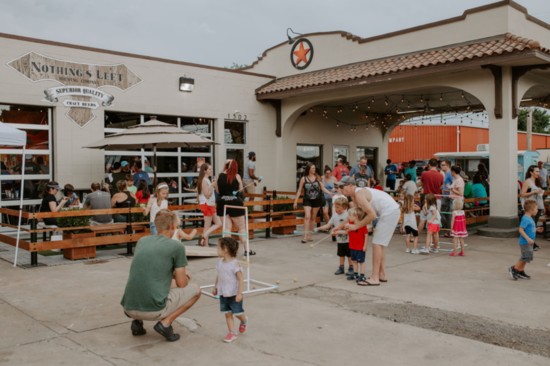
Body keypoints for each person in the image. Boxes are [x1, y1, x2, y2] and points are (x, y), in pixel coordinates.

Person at [120, 209, 201, 342]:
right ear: (172, 226)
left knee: (149, 278)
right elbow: (182, 284)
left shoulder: (142, 241)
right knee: (196, 290)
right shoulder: (176, 246)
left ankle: (137, 322)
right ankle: (165, 324)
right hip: (153, 310)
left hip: (128, 307)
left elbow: (147, 270)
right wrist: (186, 276)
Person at [341, 176, 400, 285]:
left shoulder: (359, 195)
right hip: (389, 212)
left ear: (350, 186)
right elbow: (361, 215)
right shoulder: (355, 196)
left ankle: (375, 278)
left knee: (377, 244)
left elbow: (371, 215)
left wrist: (356, 226)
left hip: (389, 212)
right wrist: (341, 226)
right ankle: (382, 274)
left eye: (342, 186)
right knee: (380, 244)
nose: (340, 189)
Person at [212, 237, 248, 343]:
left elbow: (241, 279)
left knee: (237, 313)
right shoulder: (219, 263)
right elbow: (219, 275)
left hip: (234, 294)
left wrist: (239, 293)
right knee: (227, 314)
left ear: (226, 249)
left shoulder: (235, 264)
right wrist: (215, 287)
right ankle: (232, 332)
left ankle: (244, 321)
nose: (216, 249)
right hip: (223, 293)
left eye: (218, 247)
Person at [216, 160, 251, 255]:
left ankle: (228, 251)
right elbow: (241, 191)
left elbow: (218, 191)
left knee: (227, 228)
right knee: (241, 228)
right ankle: (247, 250)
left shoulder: (219, 176)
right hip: (235, 203)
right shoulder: (237, 176)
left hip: (222, 203)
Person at [294, 163, 333, 243]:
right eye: (312, 168)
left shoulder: (318, 178)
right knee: (307, 216)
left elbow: (322, 188)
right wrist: (295, 201)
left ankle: (310, 235)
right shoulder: (304, 179)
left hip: (317, 200)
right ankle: (305, 236)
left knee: (313, 218)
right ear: (309, 169)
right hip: (307, 199)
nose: (314, 170)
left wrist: (329, 193)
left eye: (314, 168)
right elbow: (299, 190)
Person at [316, 196, 353, 277]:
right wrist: (319, 228)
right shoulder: (335, 216)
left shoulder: (348, 215)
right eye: (335, 207)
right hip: (340, 240)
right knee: (341, 254)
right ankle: (341, 267)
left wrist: (337, 232)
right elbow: (328, 225)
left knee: (349, 255)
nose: (336, 209)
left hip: (349, 240)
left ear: (344, 207)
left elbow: (350, 230)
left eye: (338, 207)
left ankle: (351, 268)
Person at [508, 201, 542, 280]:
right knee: (524, 257)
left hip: (529, 242)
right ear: (531, 210)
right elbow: (521, 230)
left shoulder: (529, 218)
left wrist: (536, 229)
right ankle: (514, 269)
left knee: (527, 257)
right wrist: (528, 238)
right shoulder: (526, 219)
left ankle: (520, 271)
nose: (537, 210)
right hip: (525, 242)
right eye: (536, 209)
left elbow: (528, 229)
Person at [520, 165, 544, 251]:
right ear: (531, 172)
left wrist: (540, 191)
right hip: (531, 207)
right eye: (536, 171)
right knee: (530, 226)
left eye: (538, 171)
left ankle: (532, 243)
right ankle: (530, 243)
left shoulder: (537, 181)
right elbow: (522, 194)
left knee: (534, 225)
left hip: (538, 206)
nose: (538, 173)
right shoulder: (527, 181)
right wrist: (534, 192)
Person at [197, 163, 222, 246]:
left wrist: (213, 185)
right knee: (207, 226)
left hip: (210, 204)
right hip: (207, 204)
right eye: (209, 169)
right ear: (205, 171)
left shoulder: (206, 180)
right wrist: (212, 185)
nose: (211, 171)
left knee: (218, 223)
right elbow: (207, 195)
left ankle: (205, 240)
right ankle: (205, 245)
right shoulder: (204, 180)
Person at [345, 207, 369, 285]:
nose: (348, 217)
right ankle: (355, 274)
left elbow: (366, 235)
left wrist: (365, 246)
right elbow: (346, 232)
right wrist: (337, 231)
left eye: (350, 215)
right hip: (352, 246)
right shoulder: (350, 224)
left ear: (356, 216)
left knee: (361, 262)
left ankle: (362, 275)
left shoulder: (362, 225)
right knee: (354, 261)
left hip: (360, 247)